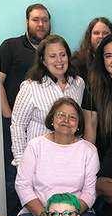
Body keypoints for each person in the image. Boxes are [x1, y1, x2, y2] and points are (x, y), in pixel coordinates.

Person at [15, 97, 99, 216]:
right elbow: (22, 185)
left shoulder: (89, 150)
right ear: (52, 119)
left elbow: (89, 192)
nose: (66, 120)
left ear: (78, 125)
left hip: (78, 212)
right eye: (61, 115)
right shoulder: (35, 146)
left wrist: (69, 215)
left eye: (72, 117)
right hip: (38, 211)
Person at [0, 3, 51, 216]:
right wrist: (8, 114)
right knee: (15, 176)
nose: (41, 24)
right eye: (35, 19)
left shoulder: (52, 49)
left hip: (41, 127)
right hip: (15, 124)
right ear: (27, 22)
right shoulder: (11, 46)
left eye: (45, 20)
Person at [10, 34, 84, 166]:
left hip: (70, 161)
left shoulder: (78, 84)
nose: (59, 60)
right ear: (43, 61)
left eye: (62, 55)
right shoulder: (30, 87)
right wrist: (21, 161)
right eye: (52, 56)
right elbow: (18, 126)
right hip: (38, 161)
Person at [71, 17, 112, 82]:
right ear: (89, 37)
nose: (101, 36)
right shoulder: (78, 63)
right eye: (96, 33)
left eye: (105, 33)